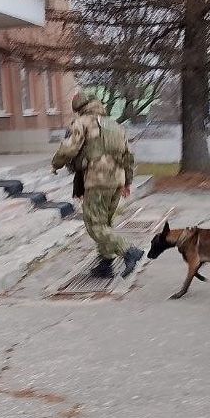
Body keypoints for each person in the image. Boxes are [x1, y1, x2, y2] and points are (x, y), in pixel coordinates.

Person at [52, 91, 144, 278]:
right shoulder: (115, 125)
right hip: (116, 180)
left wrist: (56, 163)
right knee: (105, 223)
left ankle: (128, 251)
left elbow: (70, 148)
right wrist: (127, 181)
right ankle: (105, 264)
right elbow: (128, 155)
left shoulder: (83, 122)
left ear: (79, 108)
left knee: (94, 225)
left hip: (97, 180)